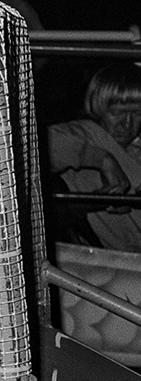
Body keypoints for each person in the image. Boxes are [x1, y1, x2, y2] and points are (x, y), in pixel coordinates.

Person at [47, 65, 141, 252]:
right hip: (113, 265)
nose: (127, 123)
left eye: (137, 113)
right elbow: (39, 147)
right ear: (98, 108)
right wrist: (102, 159)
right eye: (117, 113)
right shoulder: (83, 135)